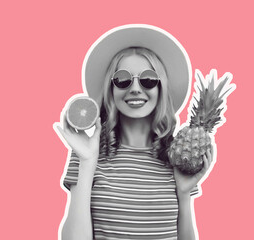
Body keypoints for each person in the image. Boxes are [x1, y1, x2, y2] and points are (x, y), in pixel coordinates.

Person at [54, 25, 215, 240]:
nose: (135, 88)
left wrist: (184, 194)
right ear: (111, 90)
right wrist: (87, 161)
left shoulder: (177, 156)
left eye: (148, 79)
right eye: (123, 79)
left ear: (161, 88)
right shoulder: (89, 153)